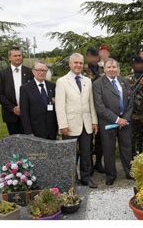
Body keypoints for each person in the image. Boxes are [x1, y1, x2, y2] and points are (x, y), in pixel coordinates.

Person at [55, 53, 98, 188]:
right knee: (71, 154)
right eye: (76, 63)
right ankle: (72, 180)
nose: (78, 65)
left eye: (80, 63)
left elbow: (91, 103)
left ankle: (86, 177)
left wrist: (94, 121)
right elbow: (60, 106)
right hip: (70, 124)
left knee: (86, 152)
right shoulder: (62, 81)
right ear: (70, 64)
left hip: (86, 123)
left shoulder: (87, 81)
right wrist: (62, 125)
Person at [93, 58, 134, 185]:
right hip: (108, 122)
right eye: (109, 67)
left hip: (124, 122)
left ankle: (129, 172)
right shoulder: (98, 84)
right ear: (104, 69)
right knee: (109, 149)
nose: (112, 69)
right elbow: (99, 107)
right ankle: (111, 175)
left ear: (118, 68)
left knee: (127, 148)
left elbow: (130, 100)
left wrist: (125, 119)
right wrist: (117, 120)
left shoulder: (124, 81)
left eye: (114, 67)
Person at [0, 47, 33, 135]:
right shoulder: (2, 74)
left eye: (19, 55)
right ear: (9, 58)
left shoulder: (29, 72)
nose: (18, 58)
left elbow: (33, 91)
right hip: (11, 114)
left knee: (29, 140)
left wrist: (24, 107)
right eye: (15, 56)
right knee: (15, 141)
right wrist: (13, 108)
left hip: (27, 113)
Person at [19, 60, 57, 140]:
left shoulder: (52, 86)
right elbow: (24, 113)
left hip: (52, 131)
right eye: (38, 70)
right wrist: (29, 133)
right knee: (38, 153)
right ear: (33, 71)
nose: (41, 72)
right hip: (35, 132)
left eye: (44, 70)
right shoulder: (25, 88)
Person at [83, 47, 104, 173]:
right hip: (88, 108)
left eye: (96, 57)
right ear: (88, 57)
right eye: (91, 57)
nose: (94, 59)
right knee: (88, 140)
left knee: (100, 139)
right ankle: (89, 164)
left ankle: (98, 163)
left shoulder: (102, 70)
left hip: (100, 108)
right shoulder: (83, 70)